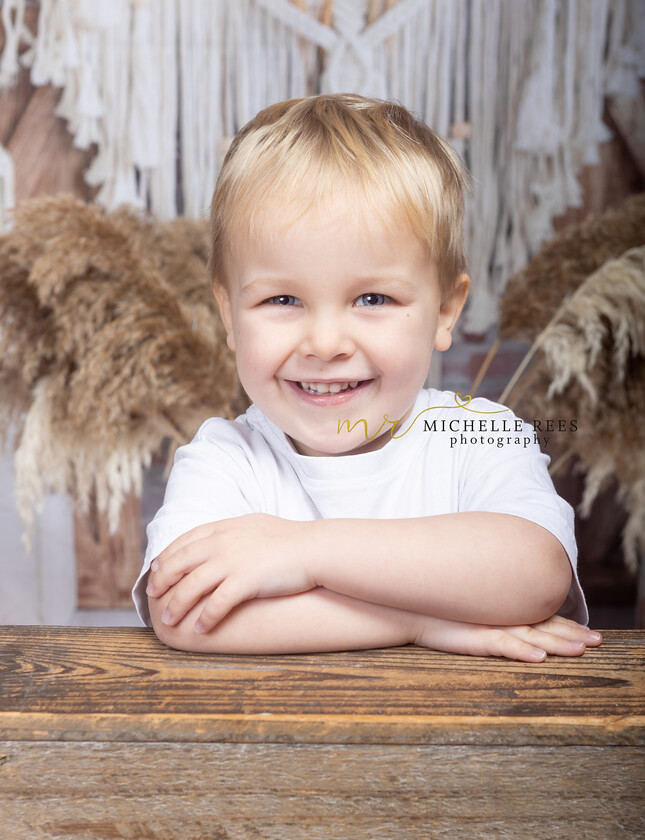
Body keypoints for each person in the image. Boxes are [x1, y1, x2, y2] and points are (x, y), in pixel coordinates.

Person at [133, 93, 601, 661]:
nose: (326, 344)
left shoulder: (477, 435)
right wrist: (421, 622)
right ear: (229, 314)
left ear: (445, 311)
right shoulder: (226, 459)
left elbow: (535, 574)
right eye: (283, 298)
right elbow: (186, 616)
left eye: (372, 298)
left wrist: (306, 553)